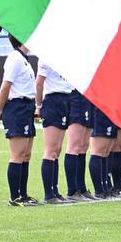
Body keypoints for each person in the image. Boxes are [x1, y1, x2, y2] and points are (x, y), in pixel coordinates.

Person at [0, 35, 39, 206]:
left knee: (26, 154)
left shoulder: (23, 59)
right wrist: (1, 109)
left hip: (26, 107)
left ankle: (23, 194)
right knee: (17, 154)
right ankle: (15, 197)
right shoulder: (14, 59)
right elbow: (5, 86)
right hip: (17, 107)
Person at [34, 62, 76, 204]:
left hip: (65, 99)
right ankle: (49, 194)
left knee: (57, 149)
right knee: (51, 150)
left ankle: (55, 191)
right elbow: (39, 82)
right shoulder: (46, 57)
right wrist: (38, 106)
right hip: (53, 101)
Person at [88, 103, 119, 199]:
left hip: (111, 107)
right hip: (101, 107)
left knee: (106, 151)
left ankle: (105, 188)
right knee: (98, 151)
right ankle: (99, 190)